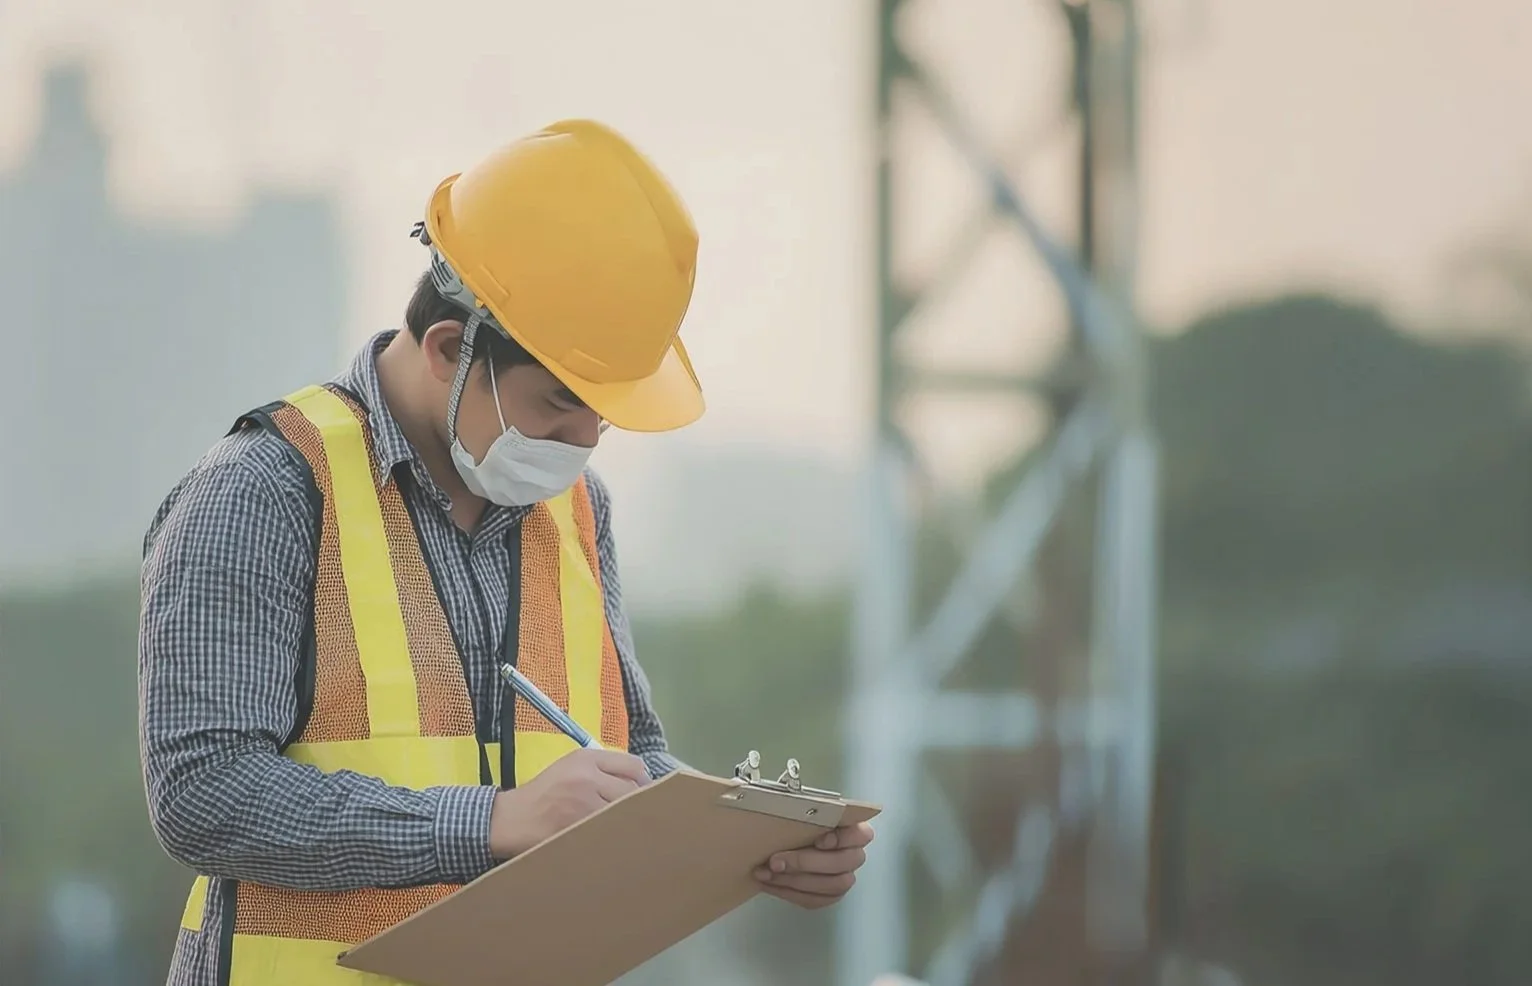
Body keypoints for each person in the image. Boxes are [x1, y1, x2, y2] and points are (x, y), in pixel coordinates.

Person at [138, 118, 875, 986]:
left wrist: (750, 835)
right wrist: (492, 820)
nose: (587, 439)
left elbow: (628, 757)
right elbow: (203, 793)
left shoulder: (575, 507)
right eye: (562, 401)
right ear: (453, 350)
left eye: (604, 411)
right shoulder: (267, 487)